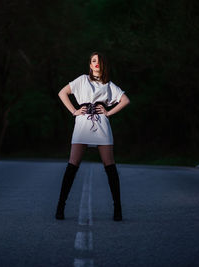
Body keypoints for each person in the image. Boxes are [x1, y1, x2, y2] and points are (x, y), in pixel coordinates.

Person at [56, 51, 130, 221]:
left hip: (101, 125)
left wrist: (109, 113)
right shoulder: (82, 80)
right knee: (72, 164)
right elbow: (62, 93)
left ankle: (117, 209)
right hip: (82, 124)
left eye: (99, 61)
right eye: (93, 61)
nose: (96, 63)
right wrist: (74, 111)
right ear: (90, 65)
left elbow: (125, 100)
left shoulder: (108, 85)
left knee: (109, 165)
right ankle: (60, 206)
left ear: (103, 64)